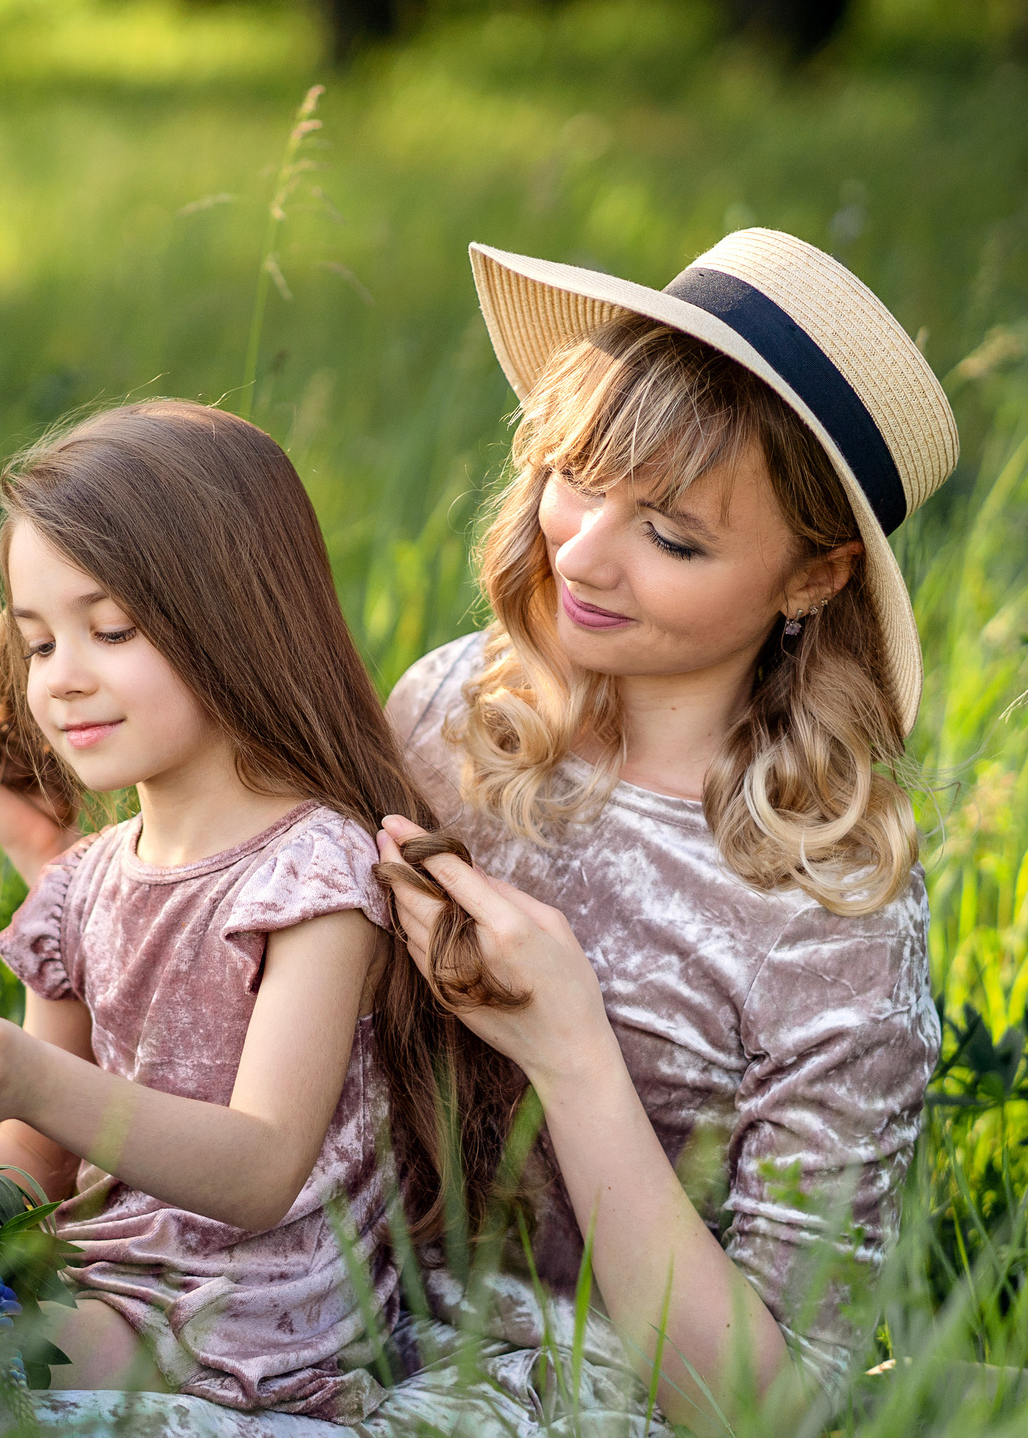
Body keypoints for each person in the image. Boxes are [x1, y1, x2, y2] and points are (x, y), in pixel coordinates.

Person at [373, 229, 958, 1429]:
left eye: (672, 535)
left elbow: (768, 1404)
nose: (578, 551)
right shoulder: (449, 714)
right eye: (575, 479)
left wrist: (572, 1050)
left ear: (811, 579)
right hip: (328, 1306)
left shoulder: (827, 914)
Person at [0, 398, 509, 1423]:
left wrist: (32, 1079)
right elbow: (39, 1151)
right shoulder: (84, 881)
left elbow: (259, 1169)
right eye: (36, 643)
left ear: (232, 619)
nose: (63, 681)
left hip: (246, 1315)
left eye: (110, 629)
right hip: (108, 1275)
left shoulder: (311, 872)